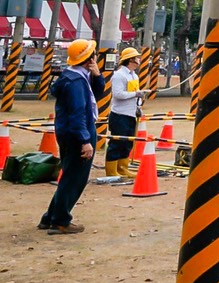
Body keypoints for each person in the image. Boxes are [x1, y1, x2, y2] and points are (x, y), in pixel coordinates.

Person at [40, 39, 104, 234]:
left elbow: (96, 94)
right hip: (78, 131)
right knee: (75, 178)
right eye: (94, 55)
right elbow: (78, 113)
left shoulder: (74, 76)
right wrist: (85, 141)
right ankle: (61, 219)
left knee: (69, 174)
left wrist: (97, 75)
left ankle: (50, 217)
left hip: (68, 131)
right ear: (88, 59)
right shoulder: (76, 82)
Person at [106, 47, 154, 178]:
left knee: (128, 142)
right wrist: (136, 93)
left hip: (131, 113)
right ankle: (111, 170)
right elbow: (118, 94)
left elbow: (134, 95)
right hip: (119, 114)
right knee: (117, 142)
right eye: (136, 58)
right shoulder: (119, 75)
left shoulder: (134, 76)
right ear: (131, 60)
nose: (139, 60)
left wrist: (139, 107)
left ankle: (122, 168)